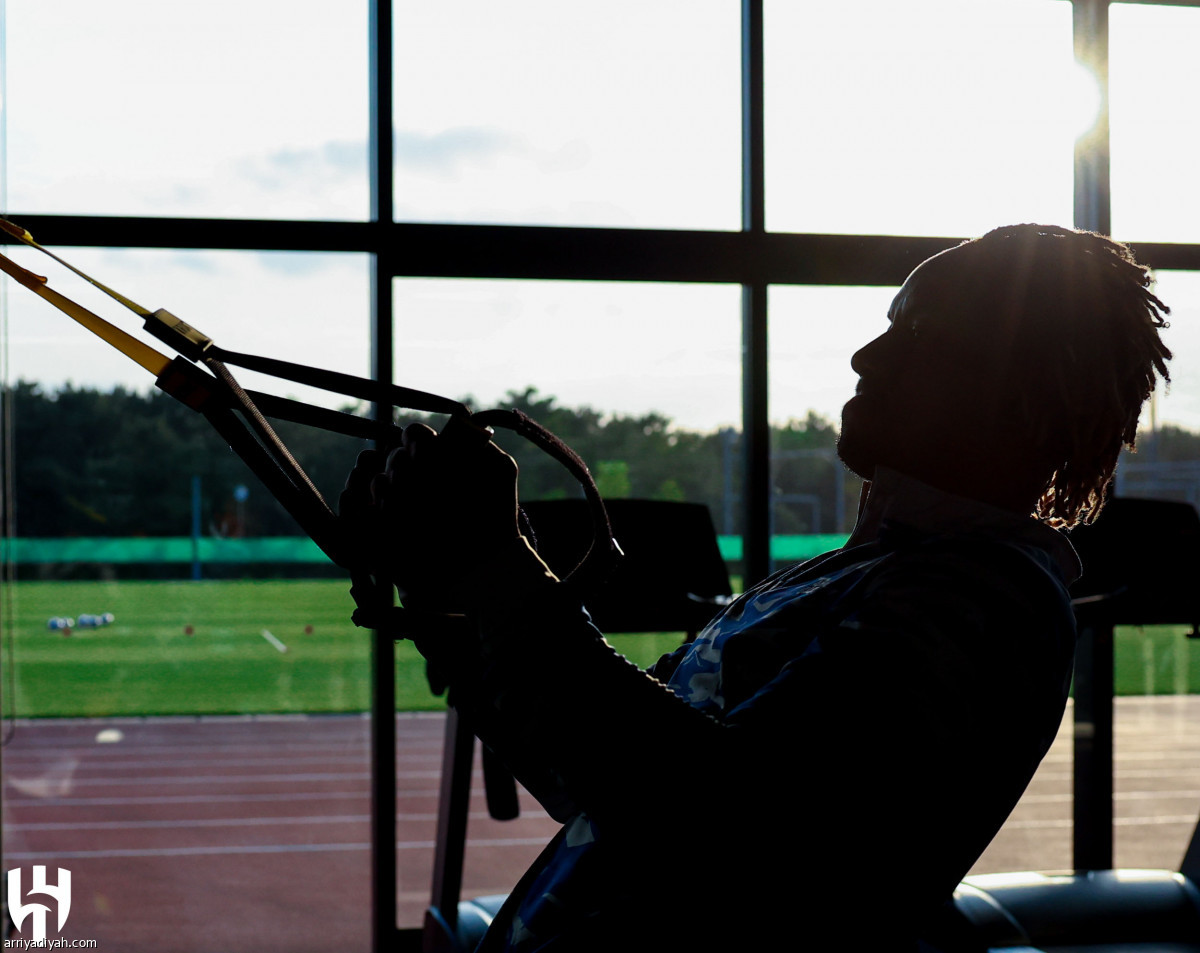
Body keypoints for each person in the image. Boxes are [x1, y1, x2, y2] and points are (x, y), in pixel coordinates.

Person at [340, 224, 1172, 951]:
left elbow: (728, 821)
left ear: (1011, 386)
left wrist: (500, 571)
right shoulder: (865, 571)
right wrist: (453, 607)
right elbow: (590, 772)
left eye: (920, 335)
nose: (867, 355)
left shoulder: (986, 597)